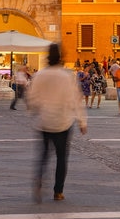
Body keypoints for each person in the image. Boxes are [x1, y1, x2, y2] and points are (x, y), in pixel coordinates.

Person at [27, 43, 87, 203]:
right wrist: (82, 120)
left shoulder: (40, 75)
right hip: (63, 121)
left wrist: (35, 109)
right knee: (61, 157)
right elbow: (76, 99)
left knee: (44, 155)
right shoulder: (67, 76)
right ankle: (58, 191)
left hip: (44, 121)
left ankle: (39, 181)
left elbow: (31, 99)